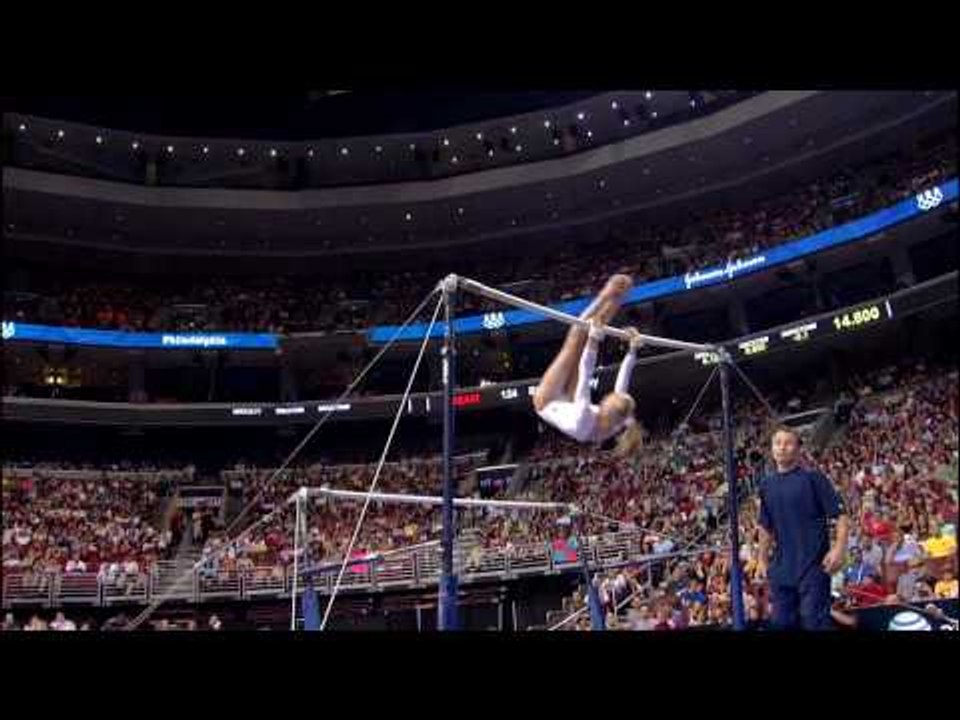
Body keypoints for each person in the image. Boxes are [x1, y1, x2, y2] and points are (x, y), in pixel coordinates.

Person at [533, 274, 645, 456]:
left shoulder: (584, 421)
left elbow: (586, 374)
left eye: (607, 401)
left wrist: (594, 338)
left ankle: (607, 292)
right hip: (569, 402)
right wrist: (632, 350)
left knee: (576, 334)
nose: (604, 399)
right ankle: (619, 296)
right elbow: (623, 381)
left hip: (547, 401)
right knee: (587, 331)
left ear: (608, 413)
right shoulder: (620, 419)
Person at [757, 426, 851, 630]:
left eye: (788, 443)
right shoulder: (766, 485)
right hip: (782, 567)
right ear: (772, 449)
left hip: (813, 565)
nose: (782, 448)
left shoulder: (813, 478)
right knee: (782, 623)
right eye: (778, 443)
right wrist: (762, 559)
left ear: (798, 448)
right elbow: (765, 525)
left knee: (814, 621)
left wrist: (839, 548)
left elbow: (841, 515)